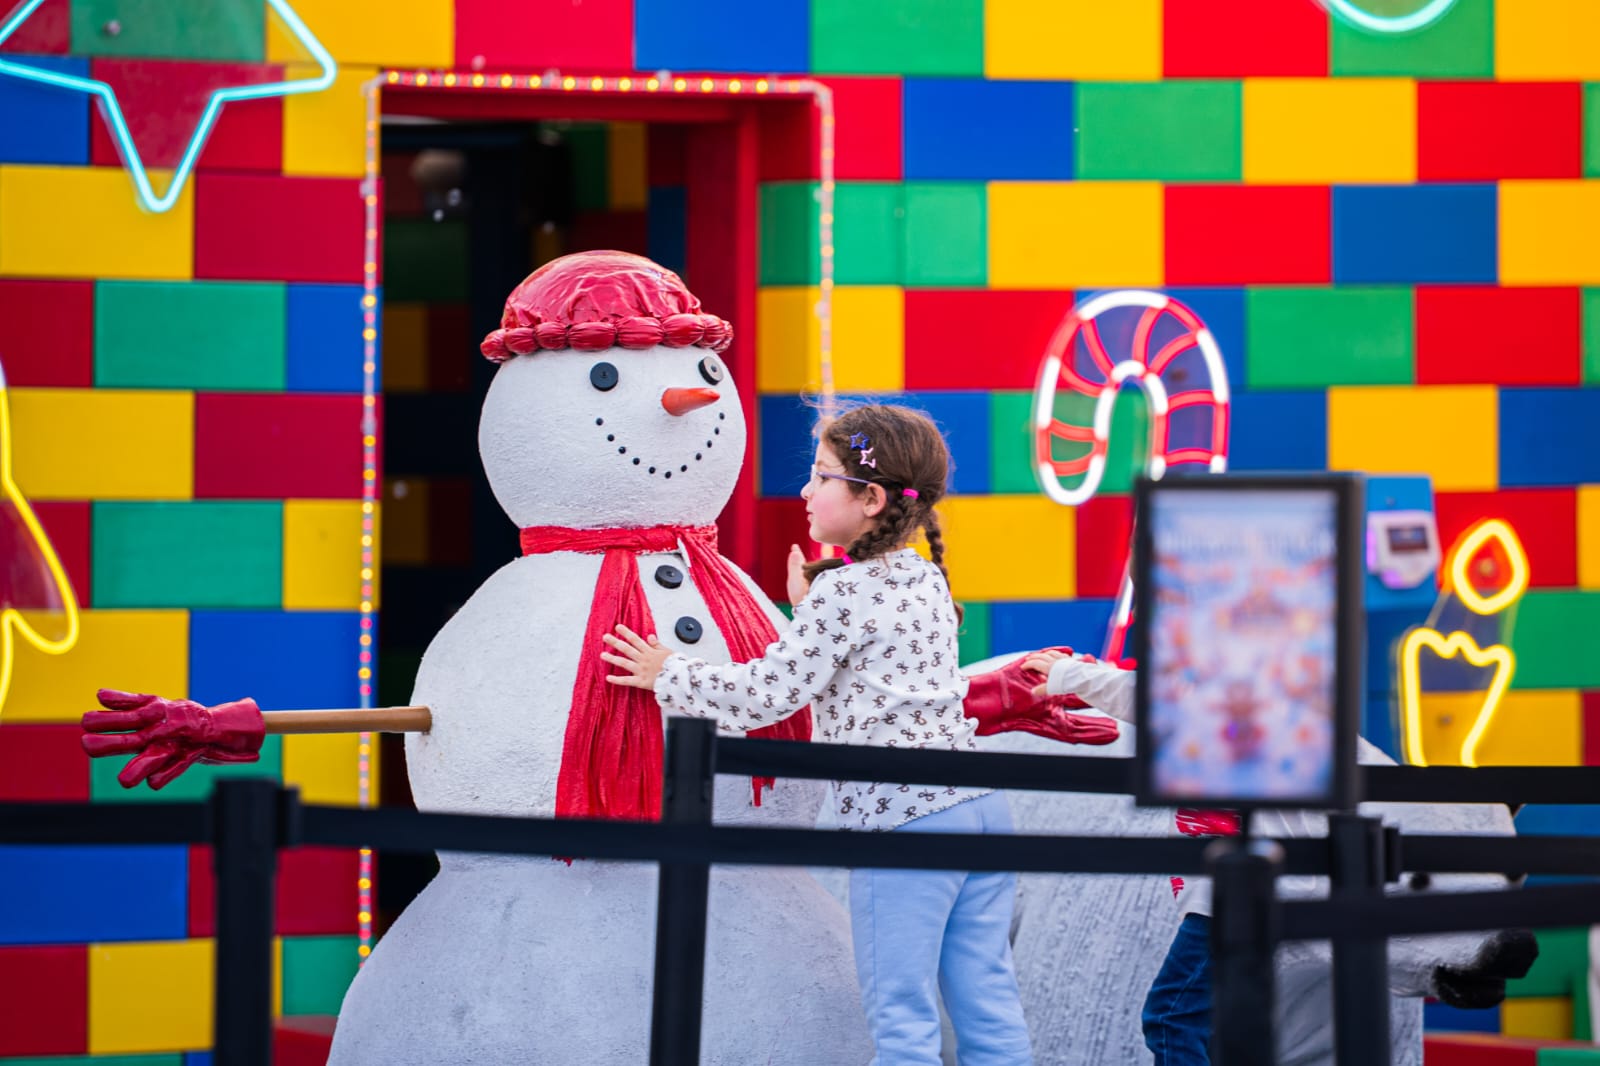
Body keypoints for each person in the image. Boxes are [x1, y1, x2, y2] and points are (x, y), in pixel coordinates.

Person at [603, 403, 1033, 1066]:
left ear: (871, 499)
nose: (805, 489)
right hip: (979, 808)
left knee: (902, 1018)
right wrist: (808, 607)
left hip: (905, 819)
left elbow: (767, 694)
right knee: (989, 1007)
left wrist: (669, 672)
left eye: (822, 475)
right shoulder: (923, 576)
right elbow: (872, 658)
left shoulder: (842, 593)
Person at [1022, 648, 1235, 1066]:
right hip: (1238, 885)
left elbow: (1165, 704)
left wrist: (1073, 676)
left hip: (1233, 892)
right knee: (1208, 1019)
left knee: (1171, 1016)